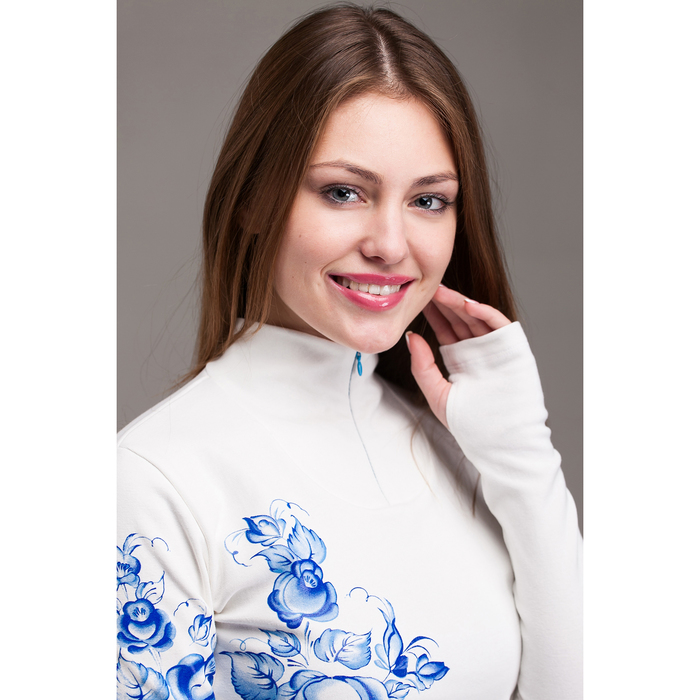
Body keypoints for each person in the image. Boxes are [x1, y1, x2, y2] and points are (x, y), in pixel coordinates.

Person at [117, 4, 582, 700]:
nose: (390, 245)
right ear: (253, 199)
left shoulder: (466, 449)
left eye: (429, 201)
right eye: (344, 192)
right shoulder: (154, 482)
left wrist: (522, 454)